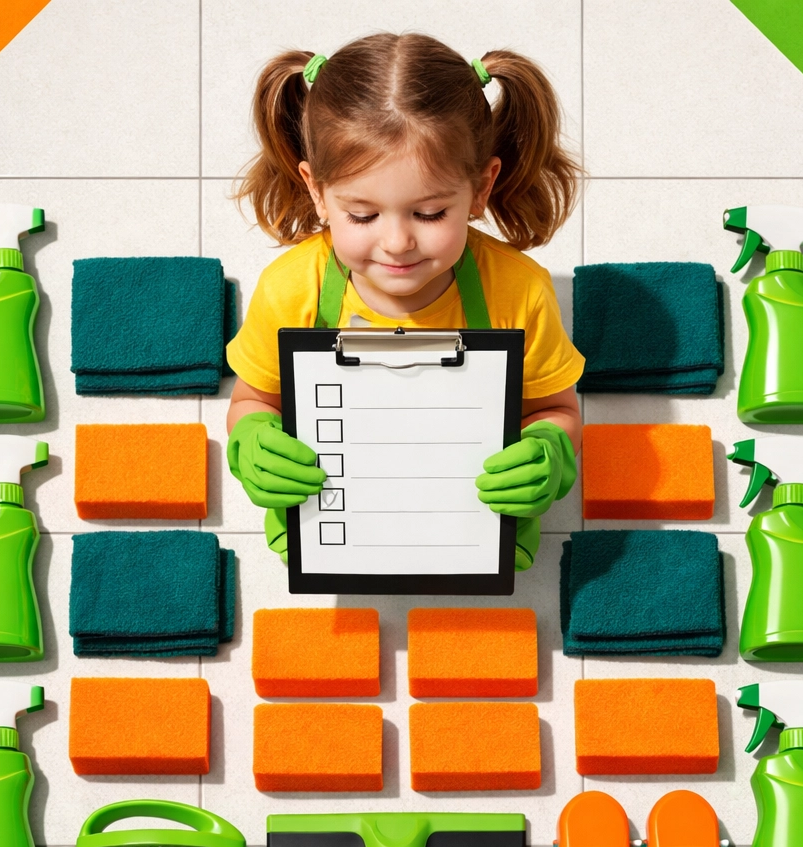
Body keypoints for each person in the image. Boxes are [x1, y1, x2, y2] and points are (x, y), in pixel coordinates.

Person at [225, 32, 584, 569]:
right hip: (327, 527)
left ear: (481, 189)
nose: (397, 243)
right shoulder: (289, 288)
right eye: (363, 216)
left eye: (431, 213)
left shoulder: (520, 292)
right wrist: (251, 439)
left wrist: (550, 451)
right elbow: (252, 400)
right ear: (317, 191)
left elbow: (555, 408)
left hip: (481, 538)